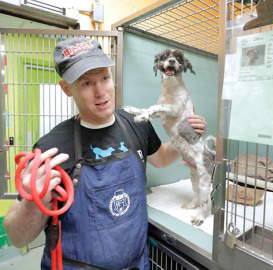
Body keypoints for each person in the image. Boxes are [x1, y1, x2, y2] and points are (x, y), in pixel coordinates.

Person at [3, 37, 207, 270]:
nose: (101, 92)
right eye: (86, 83)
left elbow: (160, 157)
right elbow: (19, 238)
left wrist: (185, 138)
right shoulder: (54, 148)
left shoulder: (136, 124)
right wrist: (31, 200)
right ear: (67, 89)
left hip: (137, 264)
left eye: (104, 78)